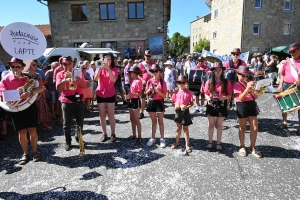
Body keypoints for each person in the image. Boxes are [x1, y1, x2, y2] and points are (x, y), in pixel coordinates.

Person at [0, 57, 46, 164]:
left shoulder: (29, 77)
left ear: (23, 68)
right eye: (12, 67)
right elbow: (2, 95)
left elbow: (42, 88)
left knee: (32, 129)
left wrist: (30, 93)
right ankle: (25, 153)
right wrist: (16, 95)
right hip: (16, 108)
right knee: (21, 131)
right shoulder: (5, 80)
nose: (15, 69)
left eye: (18, 67)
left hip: (29, 106)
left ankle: (35, 152)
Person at [56, 56, 87, 151]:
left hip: (78, 100)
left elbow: (84, 86)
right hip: (66, 101)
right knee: (66, 124)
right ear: (62, 65)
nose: (67, 66)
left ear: (73, 64)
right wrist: (65, 80)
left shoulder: (78, 72)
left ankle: (78, 137)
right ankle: (68, 142)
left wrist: (79, 80)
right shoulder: (59, 74)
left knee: (80, 122)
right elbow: (58, 89)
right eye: (65, 64)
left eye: (69, 64)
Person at [233, 65, 262, 158]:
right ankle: (242, 146)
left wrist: (256, 90)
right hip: (242, 105)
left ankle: (253, 147)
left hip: (251, 104)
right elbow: (241, 98)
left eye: (247, 76)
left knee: (254, 127)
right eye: (242, 75)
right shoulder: (236, 84)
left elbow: (255, 96)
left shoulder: (249, 83)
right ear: (238, 74)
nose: (245, 77)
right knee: (242, 127)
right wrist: (247, 88)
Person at [204, 62, 232, 153]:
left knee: (219, 125)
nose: (217, 71)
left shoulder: (226, 82)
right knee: (211, 124)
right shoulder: (209, 81)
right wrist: (208, 99)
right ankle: (210, 142)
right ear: (213, 71)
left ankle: (218, 143)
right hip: (211, 104)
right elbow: (205, 93)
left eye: (219, 69)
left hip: (222, 104)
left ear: (222, 70)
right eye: (215, 70)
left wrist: (223, 97)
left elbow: (230, 95)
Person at [94, 53, 118, 142]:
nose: (107, 60)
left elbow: (113, 80)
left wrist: (108, 70)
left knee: (111, 114)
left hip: (110, 93)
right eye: (106, 59)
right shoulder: (99, 67)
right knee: (102, 115)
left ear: (111, 61)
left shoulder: (114, 69)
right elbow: (95, 79)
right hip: (100, 93)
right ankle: (104, 133)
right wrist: (100, 69)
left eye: (109, 59)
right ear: (103, 60)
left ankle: (113, 133)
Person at [278, 43, 300, 132]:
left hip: (299, 86)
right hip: (287, 85)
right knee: (284, 105)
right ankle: (284, 122)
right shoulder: (288, 61)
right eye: (290, 52)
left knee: (299, 106)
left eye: (293, 51)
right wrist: (280, 84)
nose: (291, 53)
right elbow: (283, 73)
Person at [145, 64, 167, 148]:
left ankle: (162, 139)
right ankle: (153, 138)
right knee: (153, 122)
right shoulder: (149, 81)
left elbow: (165, 96)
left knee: (160, 122)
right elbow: (145, 93)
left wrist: (158, 91)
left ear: (159, 72)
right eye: (152, 71)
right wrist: (149, 90)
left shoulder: (162, 82)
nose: (154, 73)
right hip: (151, 102)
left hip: (159, 102)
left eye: (156, 71)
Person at [171, 75, 194, 153]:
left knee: (186, 129)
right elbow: (173, 102)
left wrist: (186, 107)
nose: (181, 84)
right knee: (178, 128)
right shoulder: (175, 92)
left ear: (186, 83)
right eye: (179, 83)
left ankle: (187, 145)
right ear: (177, 83)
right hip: (178, 111)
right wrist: (175, 105)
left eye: (183, 82)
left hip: (185, 111)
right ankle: (176, 143)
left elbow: (192, 103)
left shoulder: (189, 92)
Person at [28, 60, 52, 130]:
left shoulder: (38, 75)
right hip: (30, 96)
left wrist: (40, 94)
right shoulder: (25, 75)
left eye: (36, 65)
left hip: (40, 94)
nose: (36, 66)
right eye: (33, 65)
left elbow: (41, 84)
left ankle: (44, 124)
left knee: (41, 110)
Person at [126, 64, 143, 144]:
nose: (130, 73)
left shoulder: (138, 81)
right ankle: (134, 134)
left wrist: (132, 95)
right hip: (131, 100)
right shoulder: (132, 80)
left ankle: (139, 137)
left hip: (136, 101)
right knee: (132, 118)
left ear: (135, 72)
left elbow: (139, 94)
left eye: (131, 72)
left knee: (136, 119)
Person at [138, 50, 155, 119]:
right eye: (146, 56)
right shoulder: (141, 64)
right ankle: (141, 112)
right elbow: (138, 75)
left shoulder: (153, 64)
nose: (148, 57)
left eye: (149, 56)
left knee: (153, 98)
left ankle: (153, 111)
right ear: (144, 56)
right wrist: (142, 80)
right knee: (143, 98)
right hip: (144, 83)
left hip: (152, 83)